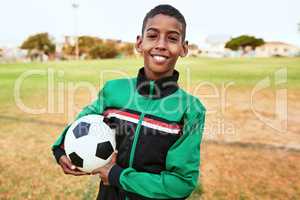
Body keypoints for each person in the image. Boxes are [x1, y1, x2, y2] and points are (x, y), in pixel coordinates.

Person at [52, 4, 206, 200]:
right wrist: (60, 150)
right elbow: (81, 122)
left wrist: (117, 176)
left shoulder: (190, 109)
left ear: (183, 48)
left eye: (172, 38)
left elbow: (181, 184)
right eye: (152, 35)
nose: (161, 44)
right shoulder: (113, 90)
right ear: (139, 43)